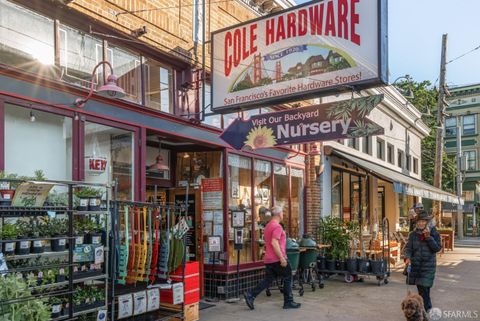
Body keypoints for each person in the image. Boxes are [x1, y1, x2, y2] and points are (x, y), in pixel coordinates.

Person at [244, 206, 301, 310]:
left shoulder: (268, 226)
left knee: (268, 280)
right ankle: (288, 302)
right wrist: (282, 258)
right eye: (282, 213)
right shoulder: (277, 226)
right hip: (277, 259)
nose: (283, 215)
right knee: (288, 277)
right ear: (279, 214)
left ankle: (251, 295)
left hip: (269, 259)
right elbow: (274, 243)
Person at [404, 210, 442, 312]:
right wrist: (407, 257)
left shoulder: (434, 232)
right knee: (422, 289)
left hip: (428, 267)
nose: (421, 223)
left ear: (427, 222)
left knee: (424, 289)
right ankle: (424, 309)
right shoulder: (413, 234)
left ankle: (425, 309)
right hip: (416, 266)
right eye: (419, 221)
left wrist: (428, 237)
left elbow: (437, 248)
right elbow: (408, 248)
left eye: (423, 221)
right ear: (416, 222)